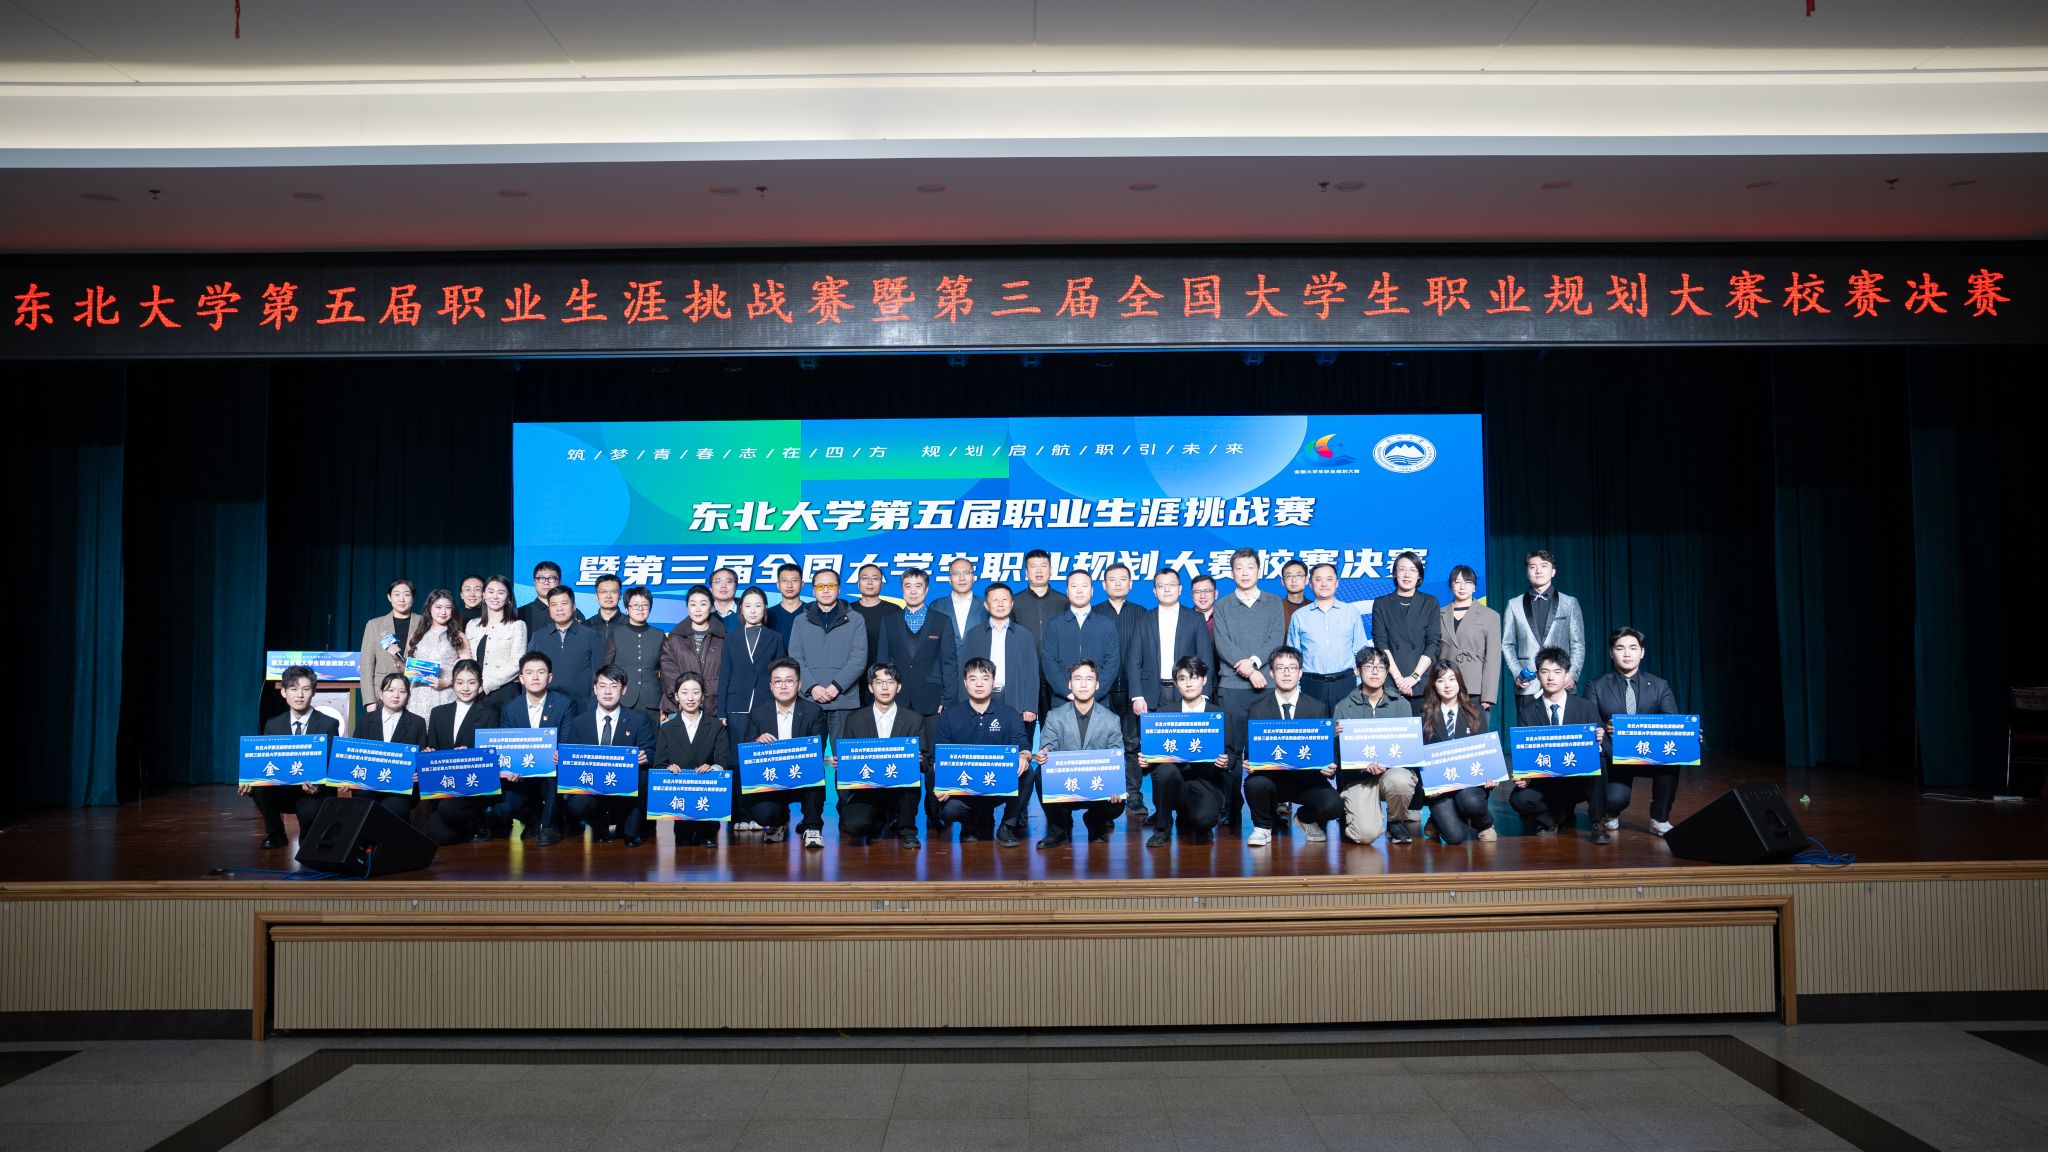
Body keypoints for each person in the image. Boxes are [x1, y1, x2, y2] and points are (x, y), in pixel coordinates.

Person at [1126, 567, 1215, 825]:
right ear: (1154, 591)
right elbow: (1134, 661)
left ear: (1180, 589)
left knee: (1188, 752)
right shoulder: (1144, 619)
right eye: (1161, 586)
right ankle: (1162, 811)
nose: (1166, 589)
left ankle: (1188, 807)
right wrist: (1136, 695)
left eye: (1171, 585)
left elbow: (1206, 660)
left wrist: (1203, 697)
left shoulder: (1194, 619)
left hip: (1186, 694)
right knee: (1158, 757)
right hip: (1152, 696)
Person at [1212, 548, 1285, 832]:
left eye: (1250, 567)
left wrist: (1254, 664)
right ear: (1232, 572)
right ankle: (1229, 808)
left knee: (1267, 750)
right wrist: (1248, 671)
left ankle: (1268, 811)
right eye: (1239, 568)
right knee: (1230, 752)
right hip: (1232, 687)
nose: (1244, 573)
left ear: (1259, 570)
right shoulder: (1223, 605)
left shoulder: (1273, 602)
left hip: (1265, 686)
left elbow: (1275, 638)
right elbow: (1222, 643)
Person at [1584, 627, 1683, 835]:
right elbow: (1588, 724)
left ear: (1642, 652)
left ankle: (1659, 819)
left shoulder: (1659, 685)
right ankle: (1610, 812)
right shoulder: (1596, 685)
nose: (1627, 654)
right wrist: (1604, 728)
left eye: (1633, 648)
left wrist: (1689, 736)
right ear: (1611, 653)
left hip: (1650, 753)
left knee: (1673, 757)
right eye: (1620, 648)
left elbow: (1673, 723)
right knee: (1615, 799)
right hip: (1614, 757)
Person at [1240, 645, 1342, 846]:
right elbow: (1251, 752)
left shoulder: (1318, 708)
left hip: (1307, 781)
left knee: (1334, 806)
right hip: (1271, 780)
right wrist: (1249, 763)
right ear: (1271, 673)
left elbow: (1326, 751)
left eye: (1292, 668)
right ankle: (1263, 827)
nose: (1286, 673)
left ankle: (1305, 818)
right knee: (1253, 784)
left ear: (1300, 673)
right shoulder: (1257, 709)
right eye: (1280, 668)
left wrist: (1330, 767)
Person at [1513, 646, 1612, 843]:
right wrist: (1525, 776)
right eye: (1545, 672)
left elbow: (1608, 748)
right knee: (1518, 799)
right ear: (1538, 675)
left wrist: (1600, 741)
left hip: (1578, 781)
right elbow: (1525, 755)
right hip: (1546, 782)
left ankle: (1598, 822)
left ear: (1566, 675)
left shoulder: (1585, 707)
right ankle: (1552, 820)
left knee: (1599, 762)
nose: (1551, 677)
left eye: (1557, 672)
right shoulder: (1527, 711)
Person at [932, 657, 1032, 845]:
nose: (979, 684)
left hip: (997, 786)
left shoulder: (1009, 714)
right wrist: (942, 783)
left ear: (993, 682)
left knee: (1028, 772)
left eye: (985, 678)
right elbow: (939, 756)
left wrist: (1023, 756)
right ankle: (968, 824)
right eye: (973, 679)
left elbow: (1023, 745)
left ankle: (1006, 827)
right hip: (963, 789)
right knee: (949, 807)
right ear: (965, 682)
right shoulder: (950, 715)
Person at [734, 657, 828, 847]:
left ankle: (812, 827)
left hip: (802, 776)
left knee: (816, 776)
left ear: (799, 684)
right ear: (771, 686)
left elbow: (816, 749)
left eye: (789, 681)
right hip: (773, 779)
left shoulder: (814, 711)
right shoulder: (758, 713)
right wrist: (757, 741)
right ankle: (778, 823)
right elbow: (746, 749)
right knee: (763, 813)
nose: (783, 686)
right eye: (778, 681)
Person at [559, 665, 658, 845]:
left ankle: (631, 832)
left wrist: (645, 757)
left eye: (614, 686)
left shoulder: (638, 720)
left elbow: (650, 752)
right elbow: (571, 758)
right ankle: (599, 829)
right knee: (577, 803)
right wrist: (562, 758)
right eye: (602, 686)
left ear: (624, 689)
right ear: (595, 688)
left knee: (644, 775)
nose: (607, 692)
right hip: (591, 790)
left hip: (625, 792)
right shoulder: (580, 722)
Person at [835, 662, 929, 848]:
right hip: (868, 790)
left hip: (901, 791)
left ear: (899, 687)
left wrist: (919, 760)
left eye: (890, 682)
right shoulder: (854, 720)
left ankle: (908, 830)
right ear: (871, 687)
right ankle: (879, 822)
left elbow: (926, 763)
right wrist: (843, 764)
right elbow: (847, 764)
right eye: (879, 682)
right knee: (853, 826)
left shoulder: (914, 720)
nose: (885, 687)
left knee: (910, 784)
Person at [1033, 659, 1125, 848]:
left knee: (1118, 802)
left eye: (1089, 679)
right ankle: (1059, 829)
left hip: (1096, 788)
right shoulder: (1054, 716)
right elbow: (1048, 747)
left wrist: (1115, 784)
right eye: (1077, 679)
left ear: (1097, 685)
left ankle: (1095, 823)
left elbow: (1117, 758)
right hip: (1066, 785)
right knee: (1040, 773)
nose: (1083, 684)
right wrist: (1044, 754)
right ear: (1069, 684)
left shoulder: (1111, 720)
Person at [244, 665, 338, 848]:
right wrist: (249, 781)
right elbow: (264, 761)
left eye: (305, 689)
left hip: (312, 793)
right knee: (259, 788)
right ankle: (276, 834)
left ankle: (308, 838)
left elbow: (330, 763)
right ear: (284, 692)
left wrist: (317, 786)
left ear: (314, 692)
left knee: (309, 814)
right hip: (283, 790)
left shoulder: (328, 724)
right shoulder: (273, 724)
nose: (299, 695)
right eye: (293, 689)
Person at [491, 651, 579, 846]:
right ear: (521, 679)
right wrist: (509, 769)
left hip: (552, 773)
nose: (535, 677)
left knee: (554, 778)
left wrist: (560, 755)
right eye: (529, 673)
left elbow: (566, 742)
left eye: (541, 672)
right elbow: (505, 748)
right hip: (520, 775)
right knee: (503, 807)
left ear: (550, 677)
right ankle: (533, 821)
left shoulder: (565, 704)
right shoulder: (510, 708)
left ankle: (549, 826)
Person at [1333, 648, 1418, 845]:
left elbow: (1408, 749)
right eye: (1369, 666)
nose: (1375, 672)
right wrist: (1361, 766)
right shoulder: (1343, 707)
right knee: (1364, 835)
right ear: (1358, 671)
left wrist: (1386, 764)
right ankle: (1350, 812)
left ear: (1387, 672)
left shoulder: (1401, 704)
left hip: (1390, 773)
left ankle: (1395, 822)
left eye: (1380, 667)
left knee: (1401, 779)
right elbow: (1338, 755)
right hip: (1358, 779)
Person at [1144, 656, 1231, 847]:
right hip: (1173, 779)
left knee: (1204, 821)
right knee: (1163, 769)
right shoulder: (1163, 714)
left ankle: (1191, 817)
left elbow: (1232, 754)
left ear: (1204, 680)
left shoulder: (1219, 715)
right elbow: (1151, 755)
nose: (1189, 684)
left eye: (1194, 677)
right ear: (1176, 684)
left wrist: (1226, 760)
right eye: (1182, 679)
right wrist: (1145, 761)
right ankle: (1163, 827)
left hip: (1205, 781)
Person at [788, 568, 869, 753]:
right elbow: (795, 657)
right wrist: (812, 687)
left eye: (831, 586)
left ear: (839, 589)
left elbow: (859, 658)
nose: (825, 590)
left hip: (844, 701)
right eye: (820, 586)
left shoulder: (856, 619)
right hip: (809, 700)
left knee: (845, 759)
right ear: (813, 590)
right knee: (807, 758)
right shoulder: (800, 621)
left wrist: (836, 686)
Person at [1418, 663, 1497, 845]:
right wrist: (1428, 788)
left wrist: (1492, 774)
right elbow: (1419, 759)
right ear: (1433, 685)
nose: (1447, 685)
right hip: (1441, 789)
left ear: (1459, 681)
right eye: (1441, 681)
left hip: (1469, 784)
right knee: (1455, 837)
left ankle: (1485, 824)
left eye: (1452, 679)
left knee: (1471, 801)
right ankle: (1437, 819)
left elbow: (1486, 752)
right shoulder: (1424, 715)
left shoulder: (1475, 712)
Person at [654, 671, 736, 847]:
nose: (690, 698)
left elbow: (724, 760)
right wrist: (668, 768)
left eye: (696, 692)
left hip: (707, 795)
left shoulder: (716, 726)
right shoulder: (666, 728)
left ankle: (707, 830)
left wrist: (713, 768)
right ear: (676, 696)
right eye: (684, 692)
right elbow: (659, 763)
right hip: (679, 797)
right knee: (683, 843)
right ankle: (683, 830)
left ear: (703, 695)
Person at [422, 659, 495, 845]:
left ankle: (479, 821)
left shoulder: (489, 714)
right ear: (453, 683)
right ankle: (466, 827)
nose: (465, 688)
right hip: (443, 786)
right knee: (439, 836)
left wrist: (471, 754)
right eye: (460, 682)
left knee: (448, 809)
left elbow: (492, 756)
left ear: (480, 685)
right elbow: (433, 747)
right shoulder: (438, 712)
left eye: (472, 682)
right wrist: (428, 752)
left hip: (472, 787)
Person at [1098, 563, 1151, 821]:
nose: (1118, 583)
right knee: (1104, 746)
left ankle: (1134, 797)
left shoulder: (1142, 614)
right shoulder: (1094, 613)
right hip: (1102, 693)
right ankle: (1105, 800)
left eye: (1123, 579)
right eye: (1112, 579)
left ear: (1131, 584)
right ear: (1103, 585)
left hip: (1133, 691)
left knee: (1132, 744)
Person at [1502, 549, 1586, 700]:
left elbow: (1578, 644)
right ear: (1527, 572)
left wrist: (1572, 675)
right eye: (1533, 566)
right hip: (1528, 684)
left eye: (1544, 566)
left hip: (1562, 682)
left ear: (1553, 572)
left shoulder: (1569, 603)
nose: (1538, 570)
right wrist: (1517, 673)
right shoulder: (1514, 605)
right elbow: (1507, 644)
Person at [1287, 562, 1370, 714]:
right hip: (1311, 685)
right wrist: (1296, 688)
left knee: (1345, 728)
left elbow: (1360, 653)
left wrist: (1360, 685)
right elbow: (1293, 657)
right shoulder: (1299, 616)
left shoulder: (1351, 612)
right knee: (1313, 728)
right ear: (1311, 584)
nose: (1324, 584)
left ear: (1337, 583)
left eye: (1329, 579)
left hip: (1346, 684)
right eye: (1318, 579)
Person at [960, 583, 1041, 738]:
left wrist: (1030, 706)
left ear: (1012, 604)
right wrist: (964, 704)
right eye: (995, 600)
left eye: (1005, 599)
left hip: (1015, 698)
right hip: (982, 697)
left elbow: (1031, 673)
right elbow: (964, 671)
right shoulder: (974, 634)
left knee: (1016, 743)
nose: (1000, 604)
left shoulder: (1024, 635)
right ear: (986, 605)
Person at [1040, 571, 1123, 711]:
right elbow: (1049, 662)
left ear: (1092, 591)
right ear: (1067, 591)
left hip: (1098, 701)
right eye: (1074, 586)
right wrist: (1068, 692)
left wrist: (1094, 693)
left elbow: (1112, 663)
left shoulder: (1106, 624)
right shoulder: (1054, 624)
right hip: (1063, 701)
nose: (1079, 591)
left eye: (1084, 586)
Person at [1370, 551, 1442, 705]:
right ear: (1395, 573)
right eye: (1402, 569)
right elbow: (1381, 643)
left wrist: (1414, 677)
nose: (1407, 574)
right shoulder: (1381, 603)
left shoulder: (1430, 602)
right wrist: (1399, 679)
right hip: (1391, 680)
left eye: (1412, 570)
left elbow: (1433, 642)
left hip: (1422, 681)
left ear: (1419, 576)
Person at [353, 673, 425, 820]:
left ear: (408, 695)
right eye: (390, 690)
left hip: (401, 788)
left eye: (402, 691)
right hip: (368, 784)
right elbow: (354, 756)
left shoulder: (417, 723)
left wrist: (419, 772)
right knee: (363, 800)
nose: (396, 695)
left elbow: (421, 756)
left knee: (393, 808)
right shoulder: (365, 721)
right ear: (381, 694)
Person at [1437, 564, 1502, 715]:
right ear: (1451, 585)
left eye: (1467, 582)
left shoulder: (1490, 616)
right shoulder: (1438, 614)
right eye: (1457, 582)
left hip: (1475, 687)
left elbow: (1493, 658)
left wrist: (1488, 695)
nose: (1462, 587)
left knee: (1476, 729)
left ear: (1474, 587)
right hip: (1446, 686)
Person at [718, 587, 786, 728]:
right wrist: (721, 712)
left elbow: (781, 675)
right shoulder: (731, 638)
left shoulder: (776, 638)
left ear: (765, 608)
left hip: (766, 703)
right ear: (741, 609)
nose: (753, 611)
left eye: (758, 606)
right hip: (736, 704)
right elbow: (724, 675)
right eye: (748, 606)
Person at [531, 585, 606, 707]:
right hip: (545, 706)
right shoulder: (539, 637)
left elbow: (598, 674)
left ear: (574, 607)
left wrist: (593, 704)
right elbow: (529, 673)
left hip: (582, 706)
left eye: (564, 603)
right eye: (554, 605)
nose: (559, 609)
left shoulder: (590, 635)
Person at [658, 584, 726, 717]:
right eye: (693, 604)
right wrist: (681, 697)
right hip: (679, 707)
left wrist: (709, 691)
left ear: (712, 607)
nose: (698, 609)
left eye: (703, 604)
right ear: (687, 607)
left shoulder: (722, 639)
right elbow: (668, 672)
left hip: (713, 707)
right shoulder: (674, 638)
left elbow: (727, 675)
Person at [465, 575, 529, 712]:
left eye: (501, 593)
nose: (495, 596)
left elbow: (517, 663)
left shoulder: (517, 625)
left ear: (508, 598)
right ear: (484, 595)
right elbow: (468, 658)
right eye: (491, 591)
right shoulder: (472, 625)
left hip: (505, 691)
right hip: (475, 691)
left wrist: (486, 684)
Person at [403, 588, 468, 720]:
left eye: (448, 607)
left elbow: (468, 669)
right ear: (429, 608)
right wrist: (396, 659)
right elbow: (407, 667)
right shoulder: (417, 634)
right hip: (418, 695)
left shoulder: (458, 635)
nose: (443, 612)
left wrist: (448, 682)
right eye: (438, 607)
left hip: (446, 694)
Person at [609, 587, 667, 732]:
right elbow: (607, 668)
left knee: (651, 741)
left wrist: (665, 702)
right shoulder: (616, 634)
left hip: (652, 701)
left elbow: (666, 672)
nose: (640, 609)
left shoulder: (659, 635)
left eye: (645, 605)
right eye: (635, 605)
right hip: (624, 699)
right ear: (627, 609)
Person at [852, 563, 904, 706]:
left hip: (885, 678)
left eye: (875, 578)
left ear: (882, 583)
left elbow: (900, 648)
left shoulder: (894, 610)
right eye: (865, 578)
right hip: (854, 680)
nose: (870, 582)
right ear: (858, 583)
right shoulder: (848, 611)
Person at [357, 578, 417, 701]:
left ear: (413, 597)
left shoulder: (424, 623)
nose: (401, 599)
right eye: (397, 594)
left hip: (416, 691)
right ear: (389, 597)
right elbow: (366, 665)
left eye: (406, 594)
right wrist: (369, 701)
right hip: (384, 693)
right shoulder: (375, 625)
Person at [929, 555, 987, 644]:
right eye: (956, 573)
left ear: (973, 578)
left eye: (966, 572)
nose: (962, 578)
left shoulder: (986, 605)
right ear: (949, 579)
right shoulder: (936, 606)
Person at [517, 561, 579, 635]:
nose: (546, 582)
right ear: (534, 582)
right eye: (541, 578)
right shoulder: (521, 613)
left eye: (551, 578)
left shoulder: (572, 611)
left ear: (560, 582)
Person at [767, 562, 807, 639]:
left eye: (794, 580)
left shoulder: (812, 612)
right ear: (778, 584)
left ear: (802, 584)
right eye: (784, 581)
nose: (789, 585)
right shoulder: (768, 614)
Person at [585, 573, 627, 645]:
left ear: (620, 596)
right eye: (603, 592)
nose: (608, 596)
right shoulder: (586, 626)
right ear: (596, 596)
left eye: (613, 592)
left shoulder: (630, 624)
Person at [1279, 558, 1311, 628]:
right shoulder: (1276, 608)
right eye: (1289, 576)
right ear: (1283, 582)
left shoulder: (1314, 607)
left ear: (1306, 580)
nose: (1294, 580)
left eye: (1298, 575)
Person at [1190, 573, 1219, 639]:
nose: (1202, 596)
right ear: (1192, 595)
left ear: (1216, 594)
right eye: (1197, 592)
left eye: (1207, 591)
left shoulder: (1224, 618)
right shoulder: (1183, 620)